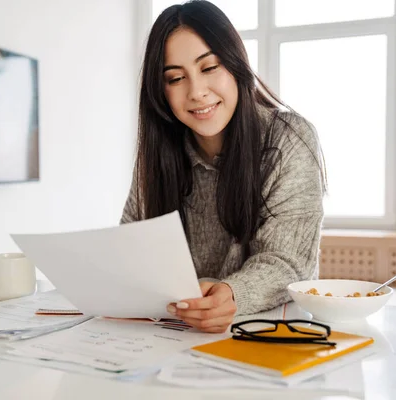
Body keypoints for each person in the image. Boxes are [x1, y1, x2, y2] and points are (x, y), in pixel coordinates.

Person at [121, 0, 326, 333]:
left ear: (235, 64)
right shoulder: (158, 153)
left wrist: (232, 294)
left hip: (269, 333)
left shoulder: (288, 137)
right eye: (175, 78)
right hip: (175, 336)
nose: (197, 92)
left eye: (209, 67)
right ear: (161, 92)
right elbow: (132, 244)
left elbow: (287, 262)